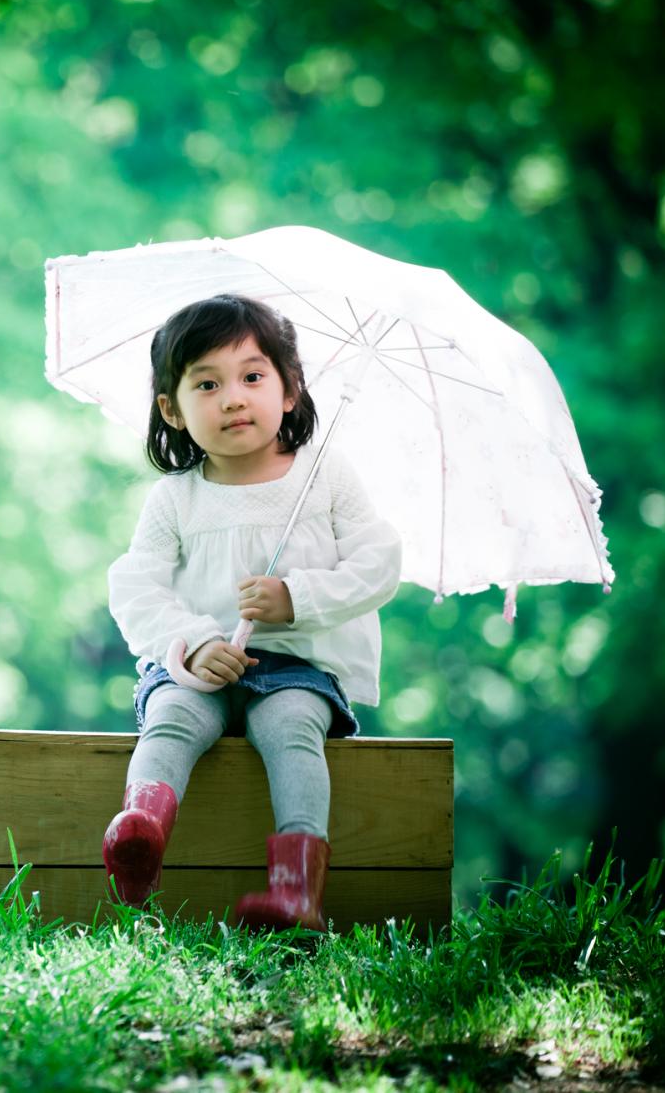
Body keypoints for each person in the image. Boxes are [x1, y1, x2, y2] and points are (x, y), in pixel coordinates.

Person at [101, 293, 402, 930]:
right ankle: (141, 831)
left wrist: (297, 599)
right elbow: (136, 588)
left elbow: (379, 563)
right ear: (171, 410)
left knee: (292, 729)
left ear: (290, 390)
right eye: (206, 384)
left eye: (253, 376)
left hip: (296, 667)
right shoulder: (175, 500)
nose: (233, 397)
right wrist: (193, 641)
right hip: (201, 665)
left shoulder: (323, 477)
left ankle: (297, 886)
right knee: (172, 718)